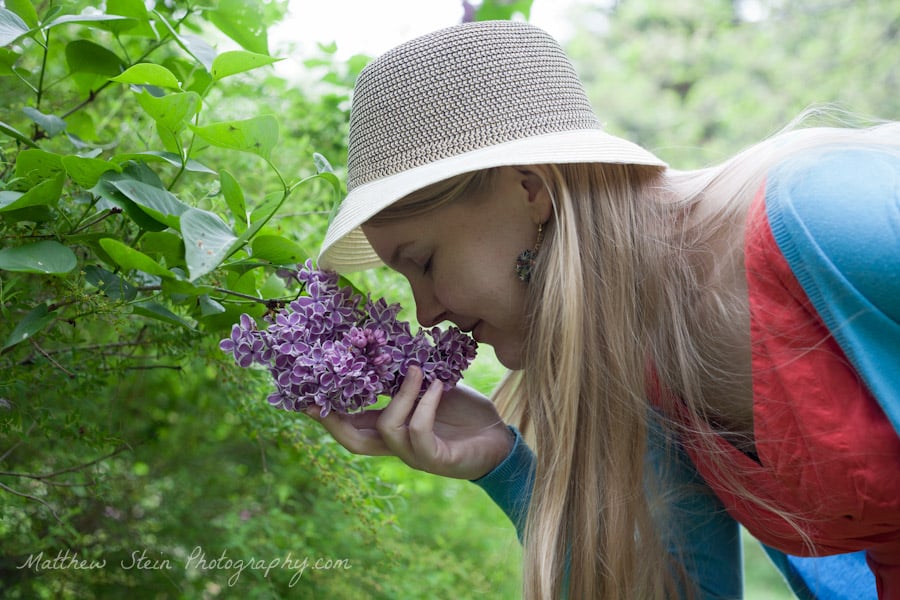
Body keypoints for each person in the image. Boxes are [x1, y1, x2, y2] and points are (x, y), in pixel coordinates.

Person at [307, 20, 900, 599]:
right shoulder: (640, 350)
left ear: (530, 187)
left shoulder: (824, 218)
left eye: (426, 262)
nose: (425, 313)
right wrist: (504, 466)